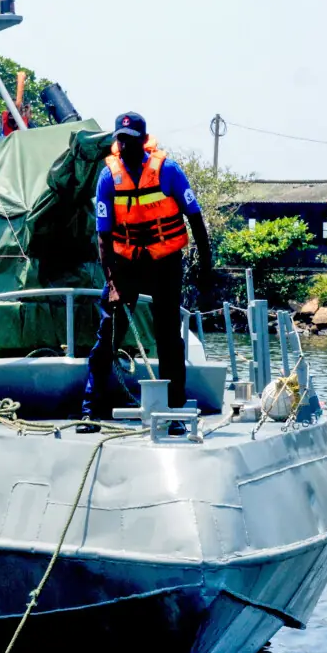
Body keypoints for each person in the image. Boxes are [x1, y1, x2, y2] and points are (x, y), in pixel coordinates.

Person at [80, 112, 216, 433]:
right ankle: (90, 410)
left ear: (143, 139)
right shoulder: (107, 177)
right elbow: (103, 235)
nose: (124, 143)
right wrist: (112, 283)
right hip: (124, 264)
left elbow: (194, 218)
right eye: (120, 138)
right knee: (108, 336)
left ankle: (175, 412)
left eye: (130, 138)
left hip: (164, 262)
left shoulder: (168, 171)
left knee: (169, 337)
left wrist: (206, 266)